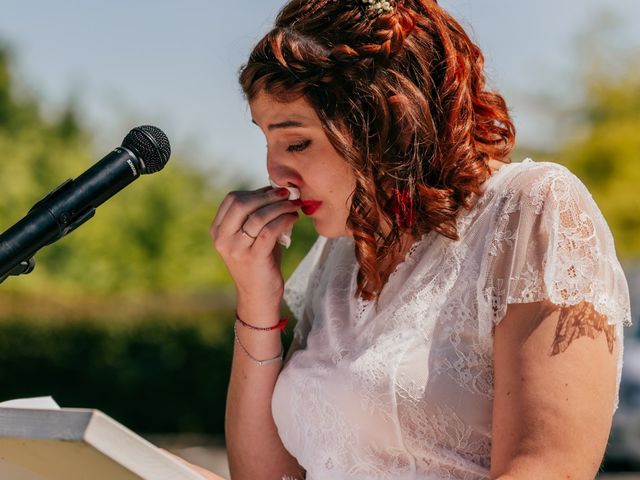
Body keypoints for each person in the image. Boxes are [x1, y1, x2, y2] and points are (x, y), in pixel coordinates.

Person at [209, 1, 633, 479]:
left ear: (384, 122)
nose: (274, 174)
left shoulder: (532, 210)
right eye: (265, 141)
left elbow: (547, 469)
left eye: (297, 142)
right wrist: (256, 299)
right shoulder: (340, 253)